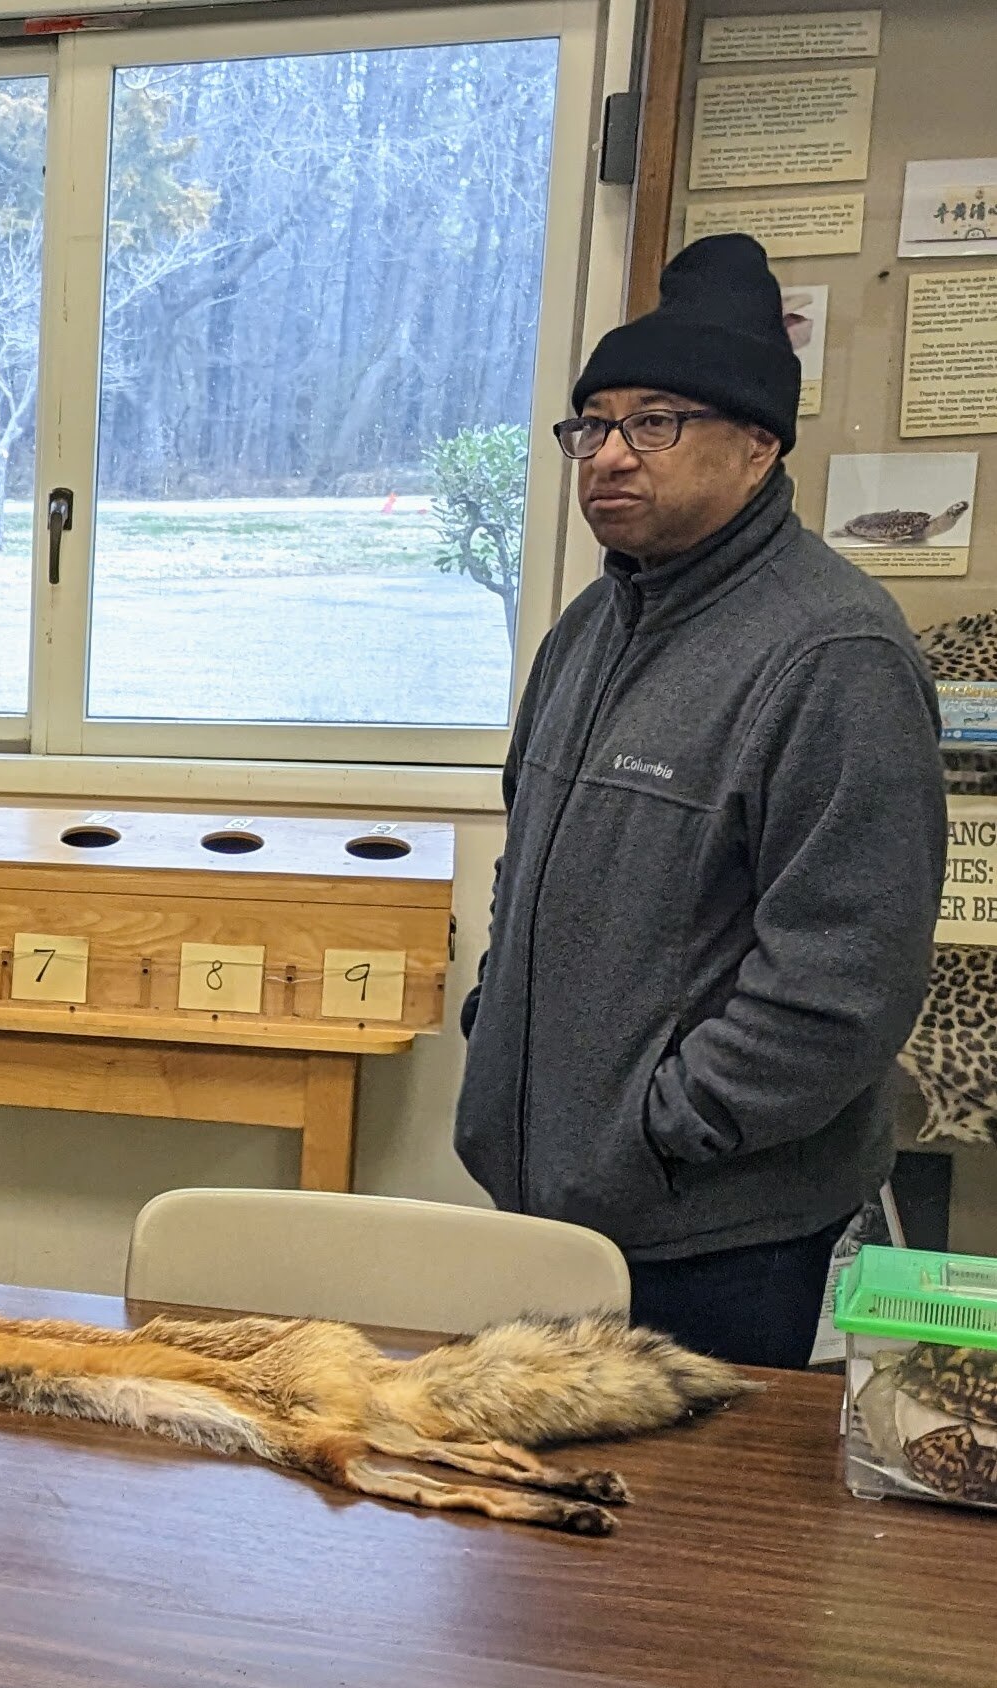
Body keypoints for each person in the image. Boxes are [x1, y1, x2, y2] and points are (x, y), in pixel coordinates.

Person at [453, 234, 944, 1368]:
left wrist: (661, 1131)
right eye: (592, 425)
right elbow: (524, 865)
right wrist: (495, 1035)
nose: (609, 456)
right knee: (542, 1523)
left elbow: (841, 984)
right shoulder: (588, 627)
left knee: (685, 1541)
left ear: (758, 444)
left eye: (656, 422)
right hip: (548, 1201)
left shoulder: (833, 653)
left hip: (718, 1235)